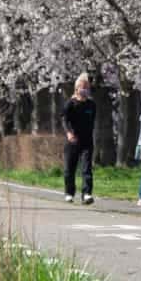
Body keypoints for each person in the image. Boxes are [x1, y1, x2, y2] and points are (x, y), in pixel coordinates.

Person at [62, 72, 96, 204]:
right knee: (69, 169)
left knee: (87, 168)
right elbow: (64, 120)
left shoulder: (92, 105)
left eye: (87, 87)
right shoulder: (70, 104)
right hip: (72, 141)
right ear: (77, 88)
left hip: (87, 141)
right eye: (83, 87)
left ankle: (87, 193)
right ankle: (69, 193)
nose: (85, 90)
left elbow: (92, 121)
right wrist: (69, 133)